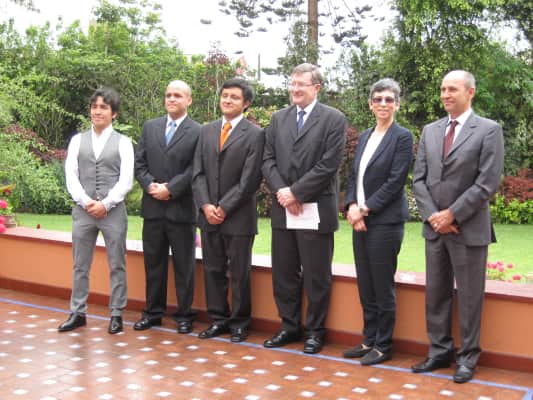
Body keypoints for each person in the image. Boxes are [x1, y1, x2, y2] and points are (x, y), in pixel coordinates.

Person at [411, 70, 504, 383]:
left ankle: (468, 358)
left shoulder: (489, 130)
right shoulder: (430, 130)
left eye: (452, 89)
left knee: (469, 298)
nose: (445, 95)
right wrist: (433, 217)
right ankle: (439, 351)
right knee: (436, 294)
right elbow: (419, 179)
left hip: (468, 229)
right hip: (435, 229)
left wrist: (451, 215)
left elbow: (487, 182)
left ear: (470, 92)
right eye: (442, 89)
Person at [262, 63, 346, 354]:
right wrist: (284, 193)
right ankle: (288, 326)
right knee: (283, 273)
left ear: (316, 88)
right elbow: (267, 160)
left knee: (316, 275)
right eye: (293, 83)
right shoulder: (278, 118)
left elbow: (329, 164)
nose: (295, 89)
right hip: (284, 208)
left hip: (316, 208)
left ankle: (315, 331)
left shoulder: (333, 119)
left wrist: (296, 192)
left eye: (301, 84)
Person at [342, 78, 413, 365]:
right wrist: (351, 205)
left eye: (389, 99)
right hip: (360, 220)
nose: (383, 104)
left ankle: (383, 345)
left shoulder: (403, 137)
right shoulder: (365, 136)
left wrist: (365, 209)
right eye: (378, 99)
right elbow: (353, 176)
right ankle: (369, 339)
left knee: (382, 286)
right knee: (366, 285)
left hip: (385, 222)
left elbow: (396, 181)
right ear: (371, 104)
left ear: (397, 104)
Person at [192, 78, 265, 343]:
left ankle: (239, 323)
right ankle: (218, 320)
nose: (227, 100)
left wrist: (223, 207)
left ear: (246, 103)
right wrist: (206, 205)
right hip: (208, 215)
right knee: (213, 269)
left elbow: (250, 179)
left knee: (239, 273)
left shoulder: (255, 134)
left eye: (234, 97)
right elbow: (197, 173)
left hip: (239, 217)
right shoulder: (206, 131)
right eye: (224, 96)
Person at [59, 87, 134, 334]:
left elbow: (126, 180)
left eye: (103, 107)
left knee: (117, 263)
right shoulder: (77, 140)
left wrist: (106, 204)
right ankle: (77, 312)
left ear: (114, 113)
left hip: (113, 212)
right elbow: (71, 175)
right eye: (94, 107)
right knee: (80, 264)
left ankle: (117, 313)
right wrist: (85, 201)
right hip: (83, 211)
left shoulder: (123, 143)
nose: (98, 111)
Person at [133, 80, 201, 334]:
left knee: (184, 267)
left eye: (178, 95)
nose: (172, 99)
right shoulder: (150, 127)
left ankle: (184, 315)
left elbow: (195, 168)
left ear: (188, 100)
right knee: (154, 265)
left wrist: (171, 188)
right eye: (168, 95)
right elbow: (139, 163)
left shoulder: (198, 131)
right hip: (153, 209)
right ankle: (153, 313)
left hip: (181, 210)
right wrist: (151, 185)